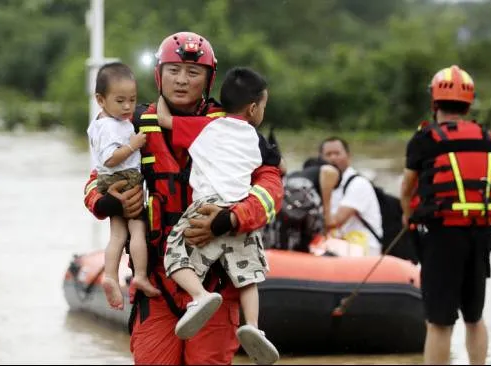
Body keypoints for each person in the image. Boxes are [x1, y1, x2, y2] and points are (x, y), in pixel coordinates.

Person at [82, 31, 283, 365]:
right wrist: (107, 203)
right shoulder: (129, 123)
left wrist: (230, 219)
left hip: (218, 282)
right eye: (173, 71)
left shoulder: (233, 127)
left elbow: (271, 187)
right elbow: (94, 181)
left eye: (192, 73)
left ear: (208, 79)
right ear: (160, 74)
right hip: (158, 282)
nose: (181, 81)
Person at [155, 66, 279, 364]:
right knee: (248, 277)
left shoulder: (204, 127)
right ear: (253, 108)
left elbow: (163, 120)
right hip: (238, 208)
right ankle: (253, 327)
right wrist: (233, 218)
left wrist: (160, 94)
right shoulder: (259, 141)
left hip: (205, 205)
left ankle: (199, 296)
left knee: (173, 254)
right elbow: (274, 173)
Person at [399, 65, 491, 365]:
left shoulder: (424, 140)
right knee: (475, 316)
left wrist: (408, 216)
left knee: (439, 321)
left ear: (435, 102)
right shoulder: (486, 137)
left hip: (442, 236)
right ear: (468, 103)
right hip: (480, 234)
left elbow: (407, 187)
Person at [85, 62, 161, 310]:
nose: (128, 107)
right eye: (120, 101)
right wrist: (133, 145)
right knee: (137, 228)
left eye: (132, 99)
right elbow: (109, 158)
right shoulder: (110, 127)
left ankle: (109, 275)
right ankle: (139, 275)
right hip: (125, 178)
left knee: (117, 235)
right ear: (100, 99)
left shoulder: (101, 122)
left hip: (109, 182)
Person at [319, 137, 383, 256]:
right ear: (320, 159)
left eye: (337, 153)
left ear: (348, 156)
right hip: (340, 243)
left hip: (363, 248)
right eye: (328, 154)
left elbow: (333, 223)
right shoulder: (321, 183)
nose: (333, 158)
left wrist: (325, 189)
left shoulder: (359, 184)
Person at [275, 157, 341, 252]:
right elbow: (329, 171)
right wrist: (328, 218)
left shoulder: (294, 174)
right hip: (303, 199)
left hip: (281, 203)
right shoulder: (329, 170)